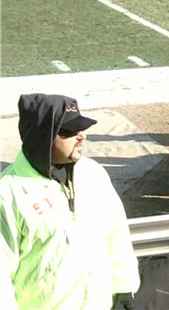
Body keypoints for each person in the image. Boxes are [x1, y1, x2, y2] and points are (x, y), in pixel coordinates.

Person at [0, 94, 140, 309]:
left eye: (81, 128)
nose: (81, 135)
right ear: (43, 135)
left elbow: (117, 235)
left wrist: (124, 289)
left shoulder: (94, 174)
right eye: (69, 131)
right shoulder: (8, 192)